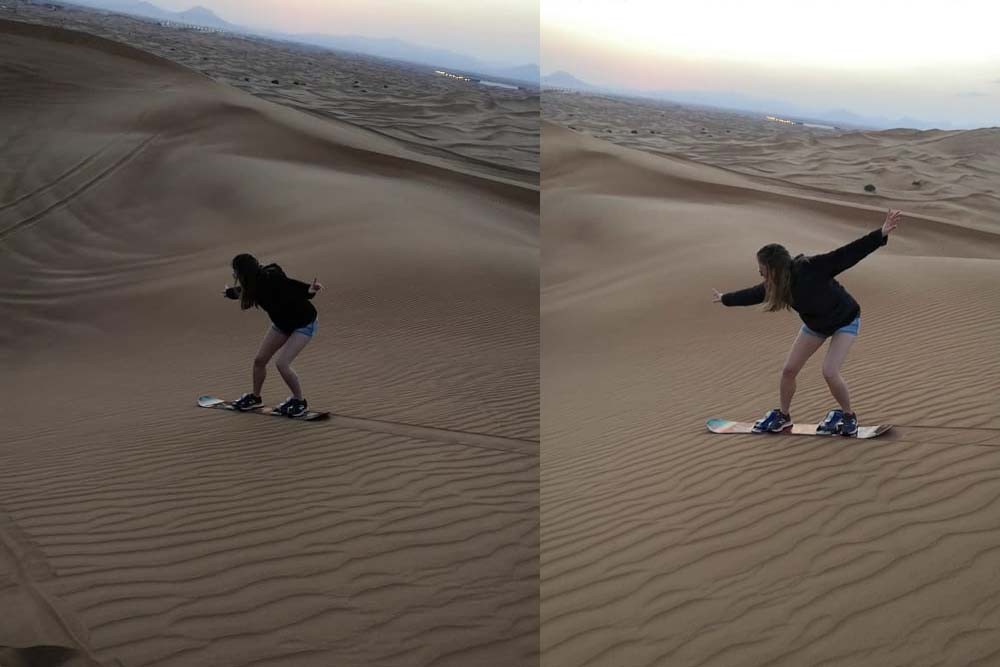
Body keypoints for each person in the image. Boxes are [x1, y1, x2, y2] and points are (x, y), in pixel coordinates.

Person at [713, 209, 902, 436]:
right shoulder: (778, 286)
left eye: (762, 271)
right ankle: (783, 416)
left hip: (845, 319)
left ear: (773, 269)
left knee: (830, 371)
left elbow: (847, 254)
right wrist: (725, 299)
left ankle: (849, 417)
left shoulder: (811, 268)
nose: (761, 275)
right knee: (789, 370)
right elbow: (752, 294)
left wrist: (880, 234)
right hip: (816, 326)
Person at [223, 253, 322, 417]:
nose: (234, 275)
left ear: (243, 272)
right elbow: (244, 291)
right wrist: (230, 293)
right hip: (282, 324)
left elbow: (290, 285)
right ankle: (255, 398)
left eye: (235, 271)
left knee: (282, 364)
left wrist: (309, 290)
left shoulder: (272, 277)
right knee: (259, 360)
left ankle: (299, 402)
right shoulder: (253, 284)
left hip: (304, 323)